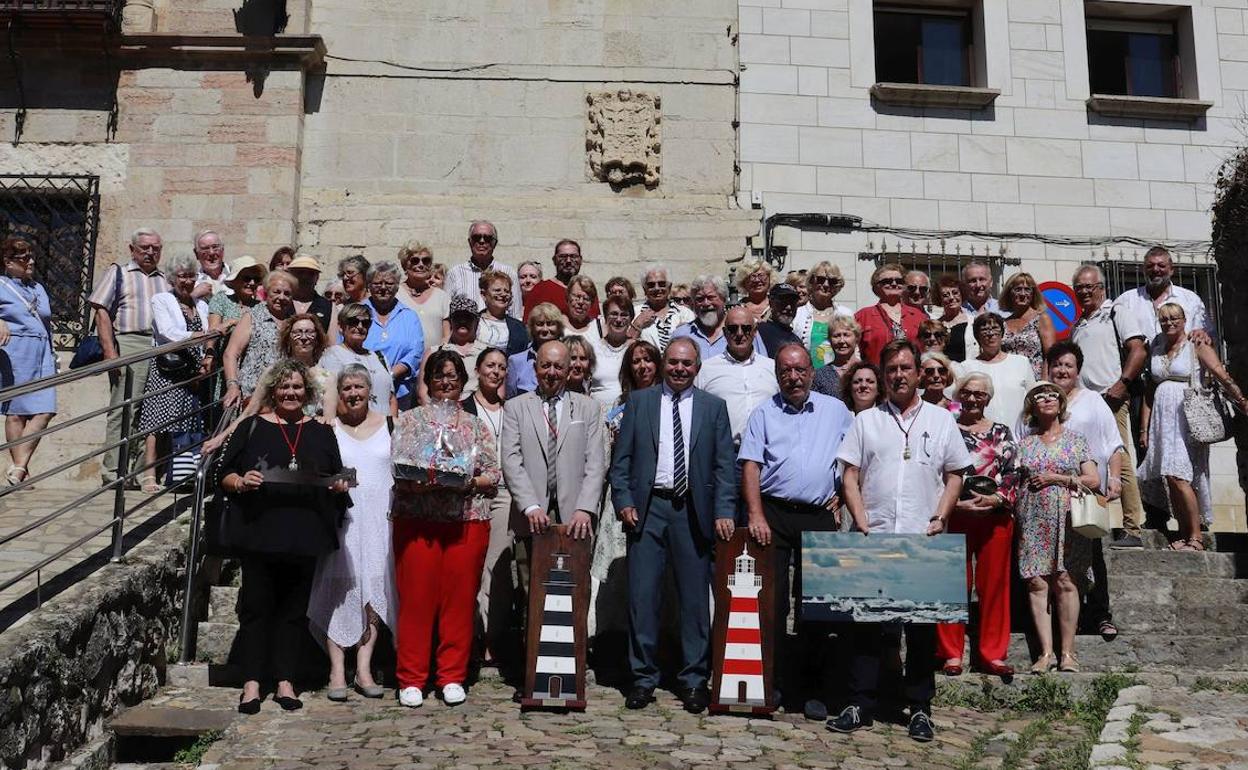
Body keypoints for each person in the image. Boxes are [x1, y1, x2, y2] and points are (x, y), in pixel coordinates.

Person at [831, 339, 971, 742]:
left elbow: (956, 473)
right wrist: (860, 521)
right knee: (867, 626)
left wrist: (941, 515)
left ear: (918, 372)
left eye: (905, 368)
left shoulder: (941, 420)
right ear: (883, 374)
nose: (898, 375)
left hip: (921, 538)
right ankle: (860, 703)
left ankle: (920, 707)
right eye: (891, 369)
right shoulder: (867, 421)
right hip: (875, 537)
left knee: (921, 630)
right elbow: (849, 475)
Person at [216, 359, 350, 714]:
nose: (291, 393)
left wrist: (339, 486)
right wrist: (242, 482)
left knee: (293, 611)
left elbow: (336, 478)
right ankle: (251, 683)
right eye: (284, 387)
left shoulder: (322, 431)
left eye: (297, 387)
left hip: (304, 534)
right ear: (273, 391)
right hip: (260, 532)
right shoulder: (252, 428)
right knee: (257, 608)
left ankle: (285, 681)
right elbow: (225, 474)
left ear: (307, 393)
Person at [609, 337, 735, 714]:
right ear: (665, 364)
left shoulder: (714, 408)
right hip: (649, 509)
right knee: (643, 597)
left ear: (698, 367)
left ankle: (694, 680)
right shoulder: (640, 402)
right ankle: (643, 678)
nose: (680, 369)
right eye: (674, 362)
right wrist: (625, 501)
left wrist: (723, 510)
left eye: (688, 364)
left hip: (692, 512)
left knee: (695, 601)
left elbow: (724, 467)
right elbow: (622, 461)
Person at [738, 343, 853, 717]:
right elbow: (751, 466)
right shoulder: (764, 412)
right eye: (786, 371)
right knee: (771, 604)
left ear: (811, 371)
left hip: (819, 515)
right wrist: (755, 515)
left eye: (800, 370)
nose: (794, 377)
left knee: (815, 608)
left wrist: (843, 496)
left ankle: (811, 690)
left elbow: (855, 458)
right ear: (777, 375)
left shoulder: (836, 411)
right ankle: (772, 684)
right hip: (773, 514)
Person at [391, 350, 501, 708]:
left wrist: (467, 481)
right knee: (417, 600)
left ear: (463, 380)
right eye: (439, 375)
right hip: (417, 518)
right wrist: (417, 481)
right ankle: (411, 677)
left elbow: (493, 475)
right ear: (429, 381)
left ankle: (451, 674)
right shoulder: (409, 421)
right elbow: (399, 468)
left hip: (465, 519)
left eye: (453, 376)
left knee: (458, 599)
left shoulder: (474, 425)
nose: (447, 382)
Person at [308, 365, 398, 702]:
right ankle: (336, 668)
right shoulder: (328, 428)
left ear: (369, 390)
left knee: (375, 588)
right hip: (343, 517)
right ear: (339, 392)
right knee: (338, 586)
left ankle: (364, 666)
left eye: (359, 387)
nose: (353, 393)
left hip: (379, 518)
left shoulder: (390, 424)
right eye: (347, 388)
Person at [1028, 342, 1125, 641]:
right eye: (1057, 364)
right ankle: (1059, 621)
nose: (1062, 370)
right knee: (1051, 561)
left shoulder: (1093, 400)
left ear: (1078, 370)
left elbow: (1113, 442)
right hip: (1046, 498)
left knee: (1092, 555)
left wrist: (1116, 478)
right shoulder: (1039, 400)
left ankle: (1100, 615)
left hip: (1084, 491)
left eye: (1068, 365)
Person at [500, 340, 607, 606]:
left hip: (575, 515)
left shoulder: (588, 407)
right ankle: (532, 648)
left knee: (573, 590)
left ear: (569, 370)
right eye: (545, 365)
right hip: (532, 514)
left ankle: (573, 648)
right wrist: (530, 506)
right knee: (532, 591)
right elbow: (511, 460)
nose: (551, 372)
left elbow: (596, 462)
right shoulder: (516, 407)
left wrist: (585, 508)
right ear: (535, 369)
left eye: (558, 366)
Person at [1139, 303, 1247, 550]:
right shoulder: (1157, 348)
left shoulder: (1196, 344)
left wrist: (1241, 399)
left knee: (1181, 475)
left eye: (1174, 318)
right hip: (1162, 418)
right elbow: (1150, 390)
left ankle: (1196, 537)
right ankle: (1184, 533)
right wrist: (1144, 428)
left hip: (1187, 416)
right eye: (1164, 319)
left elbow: (1220, 373)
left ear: (1184, 319)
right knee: (1169, 475)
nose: (1169, 323)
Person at [935, 373, 1019, 678]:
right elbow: (934, 471)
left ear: (989, 398)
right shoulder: (945, 428)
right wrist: (955, 504)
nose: (973, 398)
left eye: (980, 394)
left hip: (994, 516)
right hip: (955, 513)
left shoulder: (1002, 431)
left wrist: (996, 500)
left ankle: (992, 654)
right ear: (959, 395)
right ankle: (950, 654)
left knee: (994, 586)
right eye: (967, 393)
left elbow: (1012, 472)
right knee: (952, 585)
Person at [1014, 381, 1100, 674]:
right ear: (1032, 405)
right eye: (1040, 395)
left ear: (1061, 404)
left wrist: (1057, 478)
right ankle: (1045, 653)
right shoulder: (1024, 444)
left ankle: (1068, 653)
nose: (1048, 398)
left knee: (1065, 580)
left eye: (1053, 395)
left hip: (1067, 517)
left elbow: (1093, 480)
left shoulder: (1076, 440)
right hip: (1033, 517)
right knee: (1037, 582)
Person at [1071, 264, 1148, 549]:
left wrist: (1121, 385)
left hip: (1111, 398)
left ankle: (1133, 528)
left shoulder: (1117, 311)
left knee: (1119, 459)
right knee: (1092, 463)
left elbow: (1138, 349)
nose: (1084, 292)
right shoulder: (1079, 324)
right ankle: (1096, 522)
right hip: (1085, 403)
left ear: (1102, 287)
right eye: (1079, 288)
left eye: (1089, 287)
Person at [89, 228, 170, 485]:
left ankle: (136, 473)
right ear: (132, 249)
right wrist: (111, 353)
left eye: (155, 248)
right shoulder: (119, 272)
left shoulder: (164, 279)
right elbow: (101, 311)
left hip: (157, 344)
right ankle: (113, 471)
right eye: (145, 247)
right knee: (124, 408)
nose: (150, 252)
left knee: (149, 410)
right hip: (129, 342)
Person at [136, 254, 210, 493]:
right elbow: (168, 332)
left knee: (186, 420)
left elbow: (207, 336)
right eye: (182, 276)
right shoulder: (162, 300)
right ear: (171, 278)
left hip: (193, 370)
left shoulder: (202, 305)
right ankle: (149, 475)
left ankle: (176, 473)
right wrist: (199, 336)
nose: (187, 281)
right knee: (157, 422)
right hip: (168, 370)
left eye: (191, 275)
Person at [460, 349, 514, 668]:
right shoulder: (464, 408)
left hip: (504, 493)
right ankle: (470, 634)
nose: (496, 372)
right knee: (471, 565)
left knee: (496, 568)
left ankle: (490, 639)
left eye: (501, 367)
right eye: (490, 366)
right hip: (471, 493)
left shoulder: (513, 408)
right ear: (478, 370)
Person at [0, 237, 55, 486]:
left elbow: (45, 320)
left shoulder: (38, 288)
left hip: (42, 350)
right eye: (24, 258)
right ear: (8, 262)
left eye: (32, 257)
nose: (31, 262)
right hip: (16, 350)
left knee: (45, 410)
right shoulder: (1, 285)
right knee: (16, 413)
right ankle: (21, 472)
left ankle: (18, 466)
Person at [694, 306, 778, 446]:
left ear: (755, 332)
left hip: (767, 452)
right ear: (725, 333)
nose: (739, 334)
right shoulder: (706, 370)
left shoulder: (772, 368)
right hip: (725, 454)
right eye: (733, 329)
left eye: (746, 328)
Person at [223, 270, 297, 406]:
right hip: (253, 397)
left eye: (287, 294)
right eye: (276, 292)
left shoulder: (293, 321)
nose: (282, 297)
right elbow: (231, 353)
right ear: (267, 292)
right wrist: (232, 385)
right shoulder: (253, 316)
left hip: (285, 397)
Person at [1114, 246, 1214, 342]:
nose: (1155, 270)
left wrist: (1203, 335)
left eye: (1161, 265)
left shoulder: (1190, 300)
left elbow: (1208, 336)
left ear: (1171, 270)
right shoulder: (1126, 301)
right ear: (1144, 270)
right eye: (1150, 266)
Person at [320, 303, 398, 417]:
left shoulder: (379, 357)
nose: (360, 326)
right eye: (353, 322)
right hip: (354, 427)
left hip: (384, 427)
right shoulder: (333, 355)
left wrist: (393, 425)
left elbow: (391, 398)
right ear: (341, 326)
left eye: (365, 323)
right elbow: (333, 397)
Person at [959, 313, 1035, 429]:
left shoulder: (1021, 362)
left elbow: (1033, 399)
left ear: (1002, 333)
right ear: (977, 336)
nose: (990, 333)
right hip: (983, 436)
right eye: (984, 330)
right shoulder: (967, 367)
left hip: (1020, 433)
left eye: (995, 328)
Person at [417, 295, 490, 404]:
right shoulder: (433, 352)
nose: (462, 321)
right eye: (458, 317)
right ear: (451, 320)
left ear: (477, 321)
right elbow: (423, 394)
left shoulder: (487, 354)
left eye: (468, 318)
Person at [672, 275, 762, 359]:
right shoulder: (681, 334)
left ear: (724, 299)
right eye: (700, 299)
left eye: (711, 297)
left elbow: (761, 364)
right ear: (693, 303)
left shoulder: (746, 331)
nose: (706, 303)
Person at [854, 263, 927, 366]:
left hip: (911, 378)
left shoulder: (919, 317)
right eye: (887, 281)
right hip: (878, 378)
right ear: (876, 287)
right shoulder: (862, 316)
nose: (894, 284)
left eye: (899, 281)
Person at [445, 221, 522, 317]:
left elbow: (516, 315)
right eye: (476, 237)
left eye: (487, 238)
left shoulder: (509, 273)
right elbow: (446, 315)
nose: (482, 241)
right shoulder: (454, 274)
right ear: (469, 242)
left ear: (494, 243)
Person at [523, 239, 600, 321]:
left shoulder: (588, 291)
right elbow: (527, 326)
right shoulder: (540, 289)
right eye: (563, 256)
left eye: (573, 256)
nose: (568, 261)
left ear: (580, 260)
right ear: (554, 260)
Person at [1000, 272, 1056, 380]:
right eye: (1018, 289)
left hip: (1034, 381)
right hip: (1008, 380)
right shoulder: (1003, 323)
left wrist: (1044, 383)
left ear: (1033, 294)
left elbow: (1050, 355)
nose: (1022, 294)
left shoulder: (1041, 319)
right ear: (1009, 293)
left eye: (1027, 289)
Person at [793, 262, 853, 362]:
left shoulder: (846, 314)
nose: (826, 284)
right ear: (812, 281)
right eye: (820, 279)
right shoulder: (797, 314)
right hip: (807, 372)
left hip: (838, 372)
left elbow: (855, 349)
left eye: (832, 281)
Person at [396, 242, 451, 350]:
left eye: (426, 261)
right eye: (415, 261)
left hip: (433, 362)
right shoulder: (396, 294)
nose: (421, 265)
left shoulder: (442, 297)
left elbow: (447, 335)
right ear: (405, 265)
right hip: (402, 360)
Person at [505, 302, 564, 397]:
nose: (545, 329)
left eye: (550, 324)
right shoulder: (516, 361)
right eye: (540, 324)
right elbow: (510, 398)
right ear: (532, 328)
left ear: (559, 327)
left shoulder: (569, 357)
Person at [632, 265, 694, 351]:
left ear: (669, 287)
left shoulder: (685, 314)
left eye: (662, 284)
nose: (657, 288)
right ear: (644, 289)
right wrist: (637, 324)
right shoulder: (635, 313)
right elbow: (627, 345)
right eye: (651, 285)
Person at [589, 296, 633, 408]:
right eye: (614, 314)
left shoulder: (637, 349)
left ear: (630, 319)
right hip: (598, 413)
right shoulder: (592, 349)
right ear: (605, 317)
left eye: (624, 315)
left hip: (630, 410)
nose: (618, 320)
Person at [475, 268, 529, 356]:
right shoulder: (474, 323)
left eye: (506, 291)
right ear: (483, 294)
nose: (503, 294)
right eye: (497, 290)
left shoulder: (519, 328)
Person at [208, 256, 265, 336]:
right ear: (234, 281)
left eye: (256, 279)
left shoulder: (261, 307)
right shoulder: (221, 300)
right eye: (247, 278)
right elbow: (212, 332)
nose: (252, 283)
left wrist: (233, 322)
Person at [810, 315, 861, 397]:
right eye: (836, 336)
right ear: (829, 340)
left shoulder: (868, 371)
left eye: (846, 335)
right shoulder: (819, 375)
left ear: (857, 338)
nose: (841, 341)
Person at [285, 254, 335, 334]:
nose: (304, 277)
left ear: (317, 278)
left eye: (310, 273)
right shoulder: (282, 302)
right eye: (300, 272)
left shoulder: (328, 307)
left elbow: (332, 341)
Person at [756, 283, 803, 358]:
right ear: (771, 303)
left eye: (793, 303)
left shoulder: (796, 339)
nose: (788, 307)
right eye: (783, 302)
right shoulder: (759, 333)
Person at [191, 229, 230, 299]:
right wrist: (193, 296)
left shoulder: (237, 276)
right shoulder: (191, 282)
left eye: (215, 247)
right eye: (205, 248)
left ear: (222, 250)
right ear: (196, 254)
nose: (211, 253)